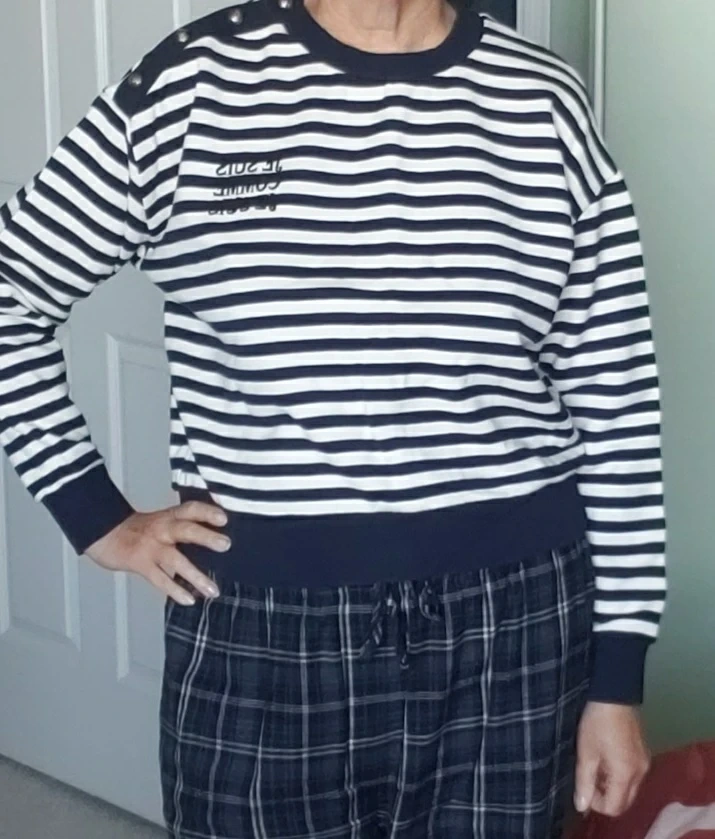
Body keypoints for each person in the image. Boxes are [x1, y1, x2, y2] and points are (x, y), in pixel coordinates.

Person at [0, 0, 666, 836]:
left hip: (515, 625)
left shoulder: (543, 100)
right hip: (265, 625)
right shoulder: (190, 86)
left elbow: (616, 400)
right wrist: (98, 518)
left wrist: (616, 673)